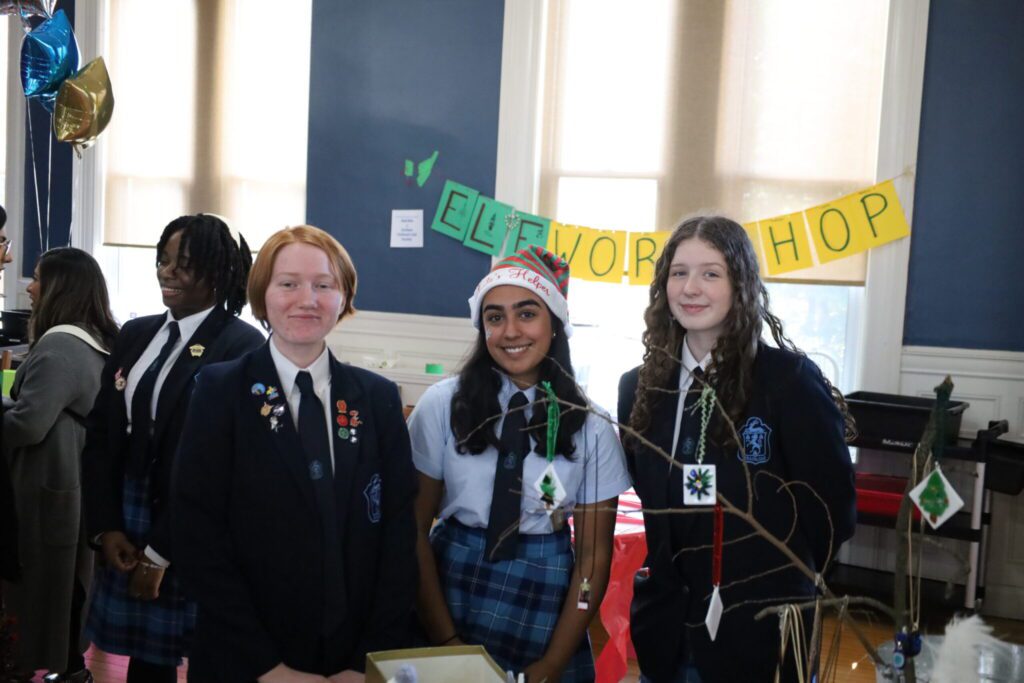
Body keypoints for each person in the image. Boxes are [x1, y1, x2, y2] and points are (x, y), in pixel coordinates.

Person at [172, 225, 417, 682]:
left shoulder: (378, 399)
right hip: (245, 658)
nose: (307, 299)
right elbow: (195, 534)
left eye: (324, 285)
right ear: (262, 295)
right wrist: (269, 668)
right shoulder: (219, 390)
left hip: (351, 659)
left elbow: (398, 539)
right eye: (288, 283)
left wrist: (367, 661)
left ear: (343, 298)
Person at [618, 216, 857, 683]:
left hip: (760, 633)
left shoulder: (787, 382)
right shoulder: (638, 389)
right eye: (679, 272)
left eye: (711, 273)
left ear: (741, 285)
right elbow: (651, 499)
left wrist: (772, 582)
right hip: (666, 632)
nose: (692, 288)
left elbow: (832, 516)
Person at [409, 247, 631, 682]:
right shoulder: (440, 406)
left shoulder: (592, 427)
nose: (510, 331)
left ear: (555, 323)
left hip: (546, 597)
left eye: (527, 314)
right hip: (447, 587)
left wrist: (554, 661)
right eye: (495, 317)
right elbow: (412, 529)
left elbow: (592, 557)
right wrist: (446, 641)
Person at [83, 214, 264, 682]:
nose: (167, 272)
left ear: (219, 271)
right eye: (163, 261)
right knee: (135, 656)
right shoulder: (137, 332)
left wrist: (160, 553)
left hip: (186, 521)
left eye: (184, 264)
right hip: (126, 510)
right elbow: (102, 432)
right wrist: (106, 527)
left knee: (172, 658)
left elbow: (218, 465)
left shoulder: (240, 346)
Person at [2, 248, 119, 682]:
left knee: (45, 585)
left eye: (36, 278)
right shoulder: (95, 338)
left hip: (46, 483)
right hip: (69, 481)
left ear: (59, 288)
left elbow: (27, 425)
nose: (28, 287)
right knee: (67, 586)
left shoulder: (59, 344)